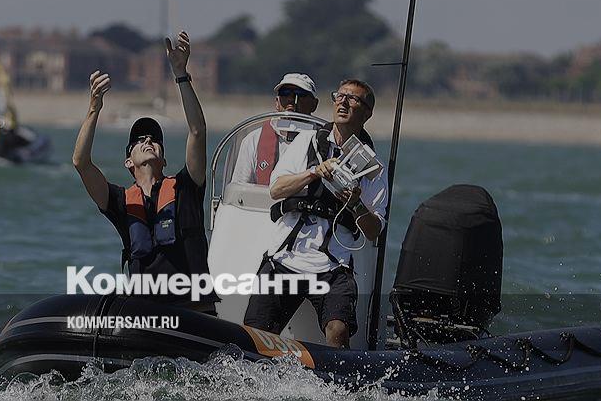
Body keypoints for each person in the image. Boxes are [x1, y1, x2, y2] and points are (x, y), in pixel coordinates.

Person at [72, 30, 217, 313]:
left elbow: (197, 131)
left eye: (154, 140)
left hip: (193, 313)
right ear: (128, 162)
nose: (148, 140)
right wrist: (94, 108)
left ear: (164, 159)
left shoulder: (187, 187)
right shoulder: (120, 202)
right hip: (146, 316)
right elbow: (81, 162)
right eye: (139, 140)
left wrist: (181, 74)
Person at [243, 79, 388, 347]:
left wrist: (356, 204)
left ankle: (335, 373)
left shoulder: (373, 168)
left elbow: (374, 230)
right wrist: (314, 172)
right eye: (339, 96)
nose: (343, 102)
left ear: (367, 113)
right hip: (285, 258)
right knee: (255, 334)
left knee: (338, 329)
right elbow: (276, 189)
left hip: (333, 265)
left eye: (352, 99)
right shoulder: (307, 142)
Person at [230, 73, 319, 185]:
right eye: (285, 93)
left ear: (314, 104)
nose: (291, 99)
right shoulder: (253, 139)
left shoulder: (325, 141)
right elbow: (239, 188)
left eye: (300, 94)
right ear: (277, 102)